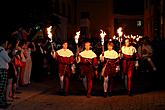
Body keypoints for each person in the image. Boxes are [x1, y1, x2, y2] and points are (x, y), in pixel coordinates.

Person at [0, 37, 11, 108]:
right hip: (2, 70)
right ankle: (1, 103)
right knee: (2, 87)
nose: (7, 44)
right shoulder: (2, 51)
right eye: (6, 43)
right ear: (4, 43)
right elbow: (9, 60)